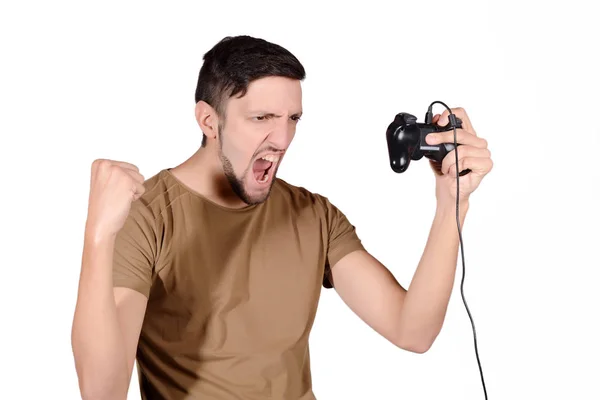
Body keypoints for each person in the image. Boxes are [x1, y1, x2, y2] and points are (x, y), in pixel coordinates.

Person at [71, 35, 493, 400]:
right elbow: (102, 390)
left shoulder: (313, 215)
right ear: (208, 120)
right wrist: (97, 235)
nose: (284, 138)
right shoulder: (148, 215)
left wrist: (451, 204)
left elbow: (412, 331)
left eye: (293, 119)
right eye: (262, 119)